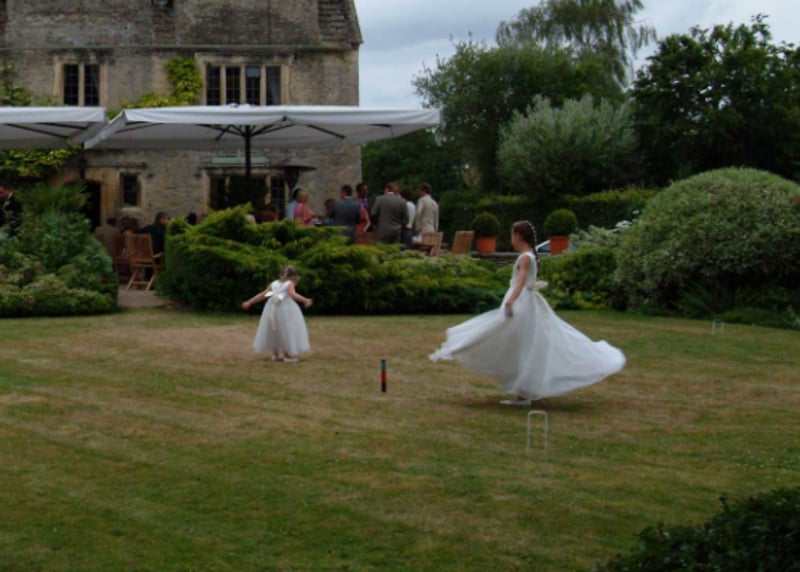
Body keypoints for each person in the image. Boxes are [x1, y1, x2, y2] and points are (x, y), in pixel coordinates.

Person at [430, 221, 625, 405]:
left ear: (518, 236)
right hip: (526, 302)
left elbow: (521, 280)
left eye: (512, 236)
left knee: (501, 334)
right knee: (518, 342)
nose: (511, 240)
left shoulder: (525, 257)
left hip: (522, 303)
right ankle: (521, 389)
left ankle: (460, 347)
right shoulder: (529, 255)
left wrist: (511, 300)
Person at [241, 264, 313, 362]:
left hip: (272, 308)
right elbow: (293, 294)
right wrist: (305, 300)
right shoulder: (289, 283)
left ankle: (275, 353)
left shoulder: (274, 283)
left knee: (274, 329)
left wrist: (249, 302)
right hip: (286, 309)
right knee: (287, 330)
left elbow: (263, 295)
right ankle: (286, 354)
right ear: (292, 276)